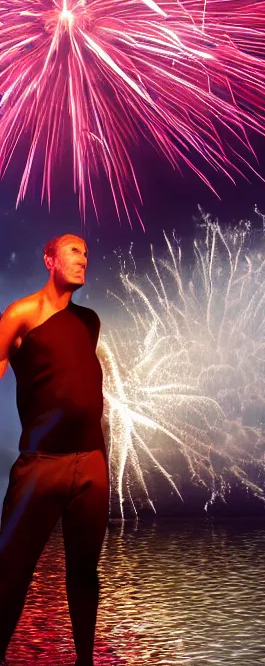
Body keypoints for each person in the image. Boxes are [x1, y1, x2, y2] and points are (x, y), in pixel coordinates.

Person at [0, 234, 109, 666]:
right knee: (10, 574)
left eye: (86, 253)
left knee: (85, 572)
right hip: (41, 466)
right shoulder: (21, 314)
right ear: (49, 258)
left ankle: (86, 662)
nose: (84, 259)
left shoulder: (90, 321)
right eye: (73, 251)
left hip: (92, 466)